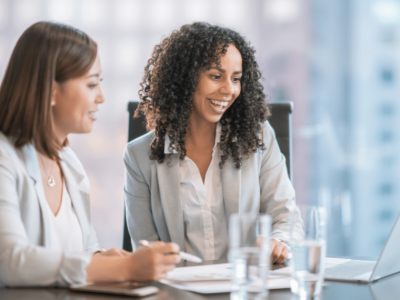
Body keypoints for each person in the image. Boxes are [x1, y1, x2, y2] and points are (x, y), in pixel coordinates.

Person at [0, 21, 180, 288]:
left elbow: (85, 250)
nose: (101, 98)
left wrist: (102, 257)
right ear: (50, 90)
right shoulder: (5, 158)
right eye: (92, 84)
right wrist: (124, 266)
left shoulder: (68, 162)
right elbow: (10, 262)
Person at [124, 22, 303, 264]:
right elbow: (145, 250)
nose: (229, 90)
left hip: (245, 285)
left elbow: (287, 217)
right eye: (216, 76)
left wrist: (279, 241)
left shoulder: (258, 137)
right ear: (184, 79)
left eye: (236, 79)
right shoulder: (138, 156)